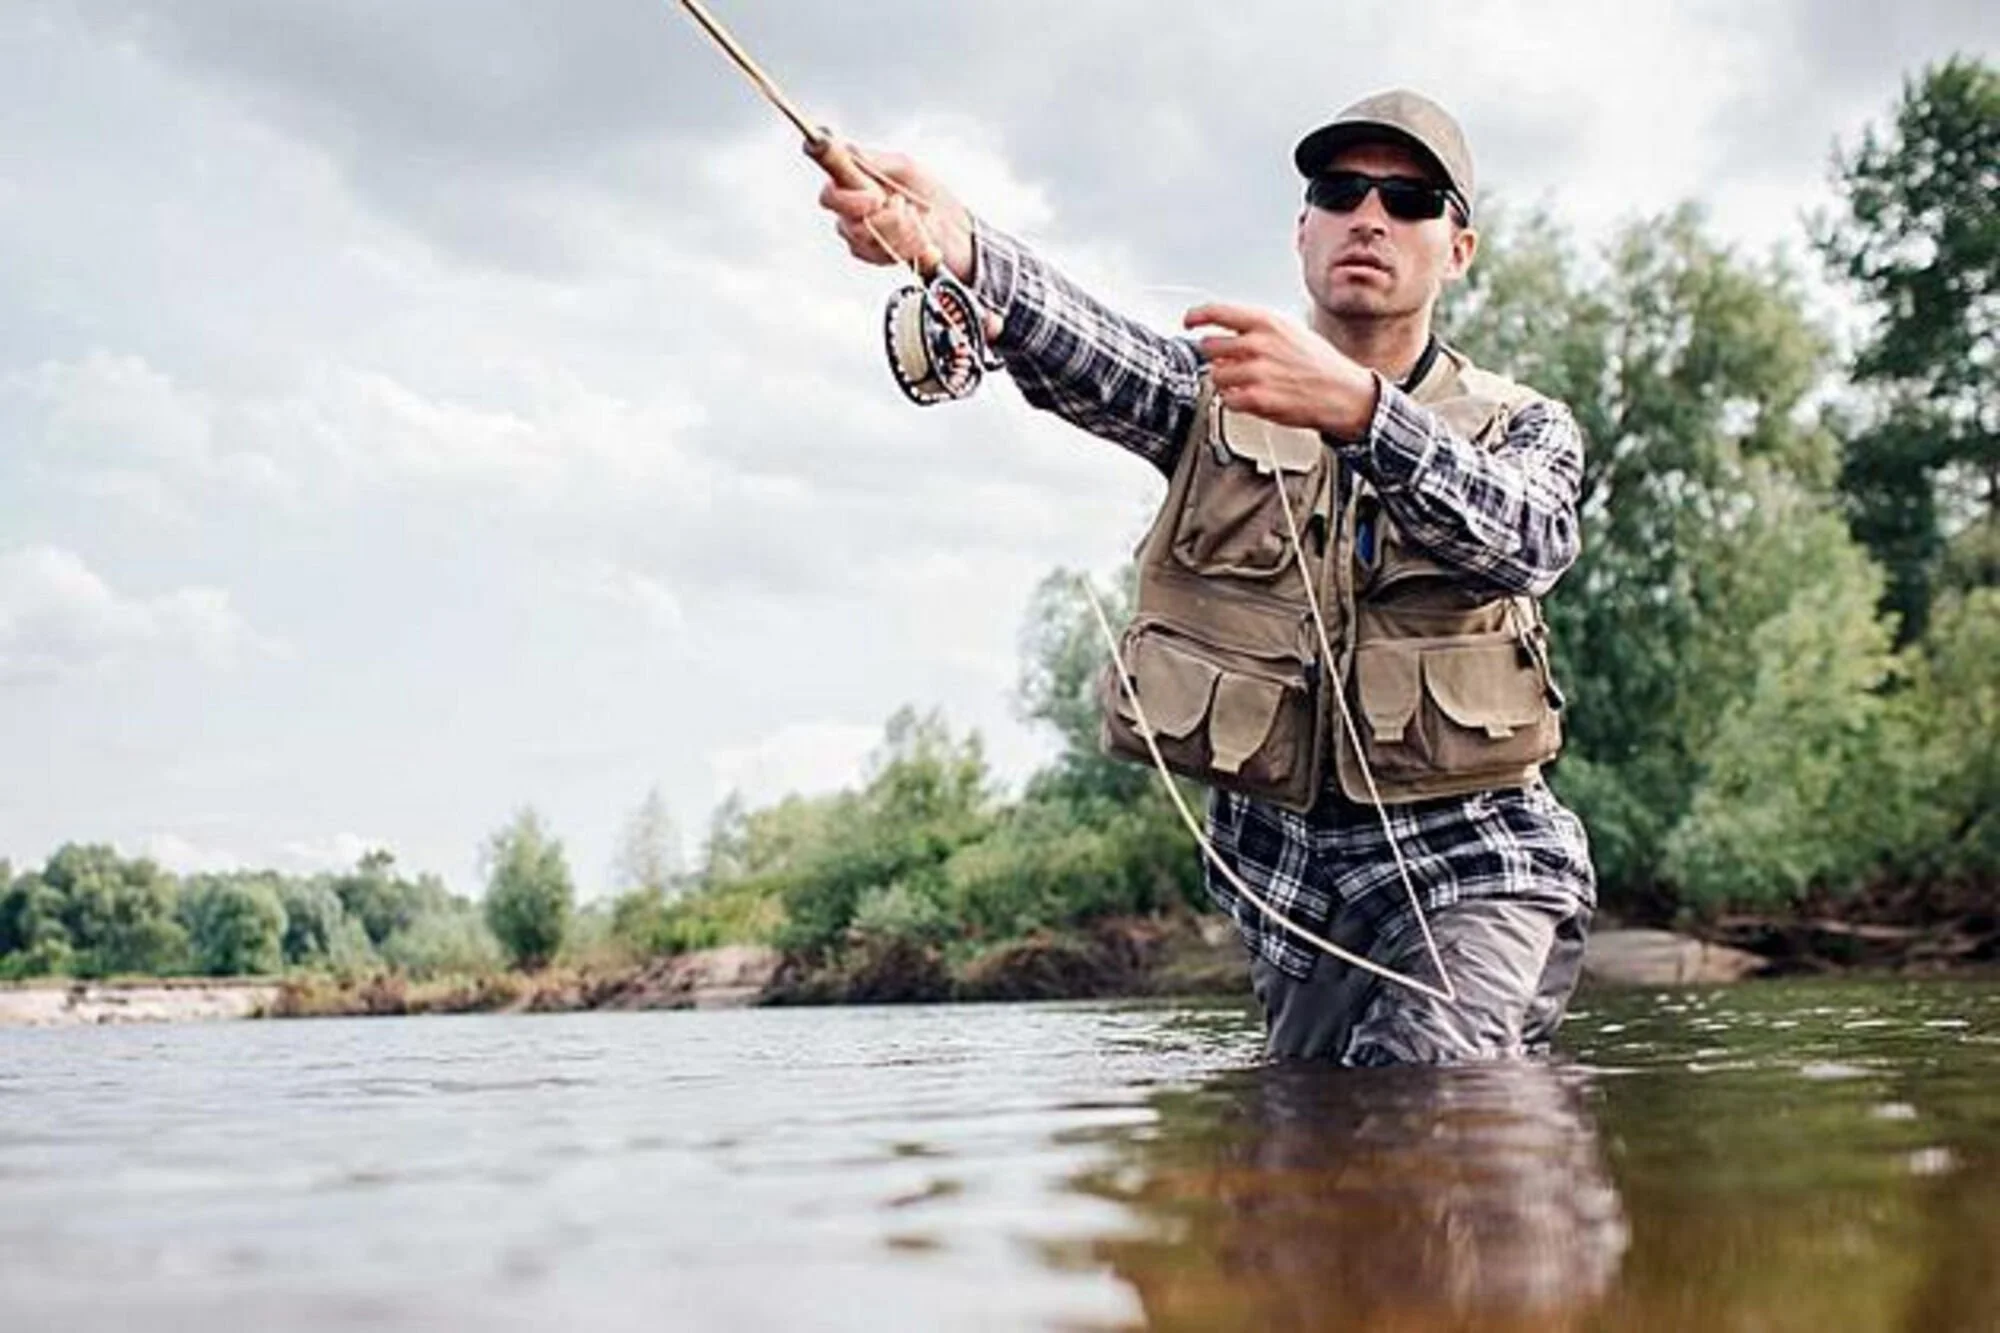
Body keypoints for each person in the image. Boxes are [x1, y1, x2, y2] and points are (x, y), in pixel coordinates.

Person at [817, 90, 1595, 1065]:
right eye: (1339, 190)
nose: (1368, 217)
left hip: (1481, 863)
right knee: (1309, 1161)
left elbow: (1528, 538)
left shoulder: (1525, 423)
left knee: (1428, 1081)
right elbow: (1083, 342)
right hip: (1289, 898)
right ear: (1300, 229)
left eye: (1408, 201)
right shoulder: (1207, 392)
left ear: (1456, 249)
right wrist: (956, 244)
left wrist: (1359, 413)